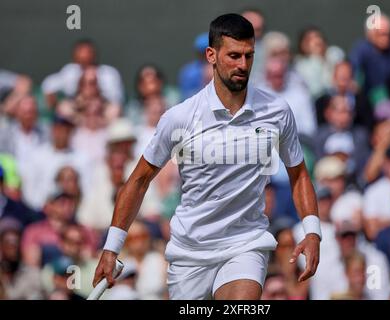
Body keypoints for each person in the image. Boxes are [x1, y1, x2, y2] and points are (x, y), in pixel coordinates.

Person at [93, 14, 321, 300]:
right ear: (211, 56)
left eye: (249, 56)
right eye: (234, 56)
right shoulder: (179, 118)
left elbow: (298, 173)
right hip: (189, 253)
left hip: (245, 243)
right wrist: (111, 248)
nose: (242, 65)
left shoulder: (277, 110)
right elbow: (138, 181)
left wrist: (312, 231)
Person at [350, 14, 390, 105]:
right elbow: (354, 72)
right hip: (368, 93)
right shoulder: (361, 48)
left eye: (389, 34)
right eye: (381, 34)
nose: (386, 38)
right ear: (370, 35)